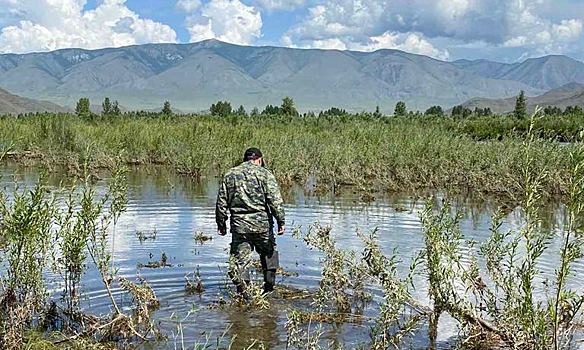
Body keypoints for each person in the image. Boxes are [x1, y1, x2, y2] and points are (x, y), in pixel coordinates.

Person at [216, 147, 285, 294]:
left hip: (240, 227)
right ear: (259, 160)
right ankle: (268, 291)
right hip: (262, 226)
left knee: (240, 262)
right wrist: (281, 220)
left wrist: (221, 223)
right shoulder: (265, 174)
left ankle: (244, 295)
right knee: (269, 256)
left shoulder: (230, 174)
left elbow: (221, 202)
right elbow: (275, 200)